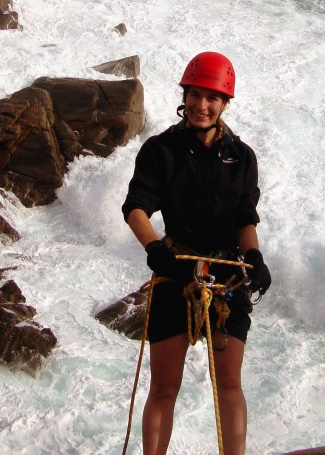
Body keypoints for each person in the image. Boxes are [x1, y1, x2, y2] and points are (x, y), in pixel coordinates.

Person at [122, 51, 272, 455]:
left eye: (211, 98)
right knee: (164, 387)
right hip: (177, 271)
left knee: (228, 384)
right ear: (184, 96)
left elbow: (245, 218)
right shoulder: (160, 150)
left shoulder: (242, 157)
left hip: (226, 277)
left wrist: (254, 257)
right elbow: (136, 207)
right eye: (195, 95)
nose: (201, 106)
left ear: (224, 104)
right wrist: (153, 247)